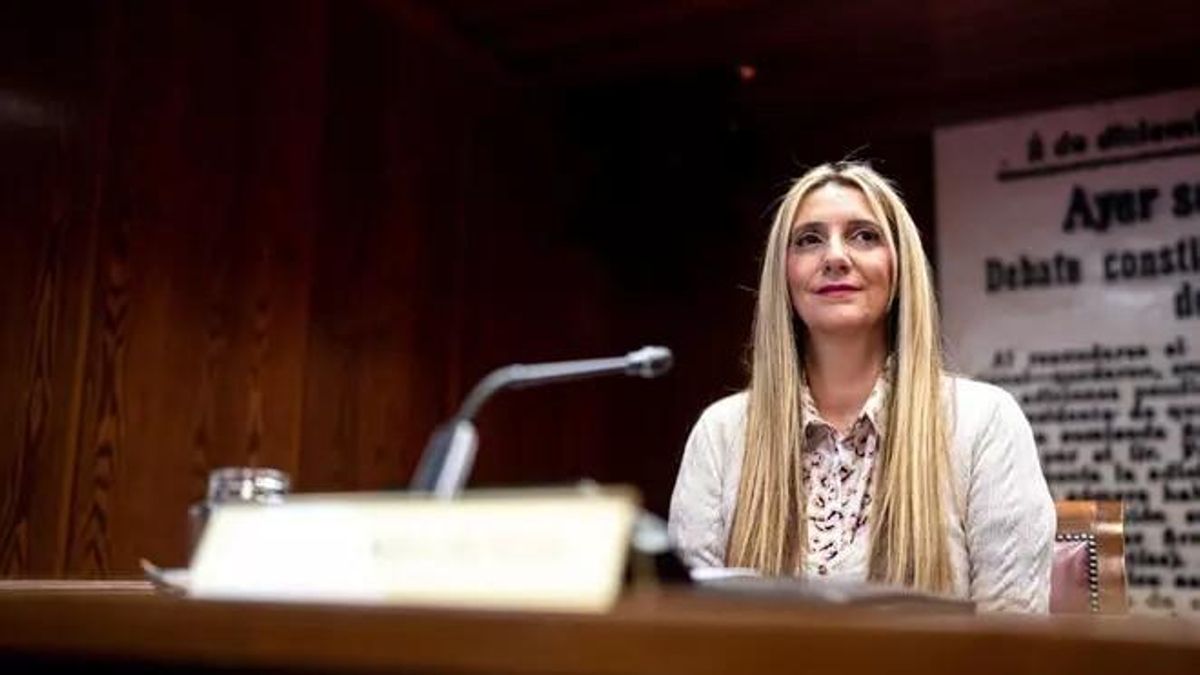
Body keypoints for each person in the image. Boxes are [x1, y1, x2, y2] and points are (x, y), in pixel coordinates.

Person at [668, 161, 1055, 612]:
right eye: (809, 240)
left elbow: (1010, 637)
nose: (834, 257)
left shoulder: (985, 421)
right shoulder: (721, 433)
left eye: (863, 236)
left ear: (899, 267)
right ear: (784, 276)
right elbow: (690, 633)